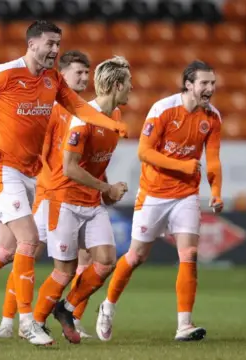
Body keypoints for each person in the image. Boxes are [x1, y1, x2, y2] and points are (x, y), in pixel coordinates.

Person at [0, 20, 127, 346]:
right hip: (0, 168)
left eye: (58, 44)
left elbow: (79, 106)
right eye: (50, 43)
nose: (55, 50)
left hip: (27, 172)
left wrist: (109, 123)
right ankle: (27, 322)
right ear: (32, 44)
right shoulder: (4, 72)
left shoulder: (52, 79)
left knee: (5, 251)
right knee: (29, 238)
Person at [95, 60, 223, 342]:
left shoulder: (212, 117)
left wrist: (215, 191)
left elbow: (212, 160)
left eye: (212, 83)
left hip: (186, 195)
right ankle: (108, 306)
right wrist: (183, 166)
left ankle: (184, 325)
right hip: (153, 193)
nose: (209, 89)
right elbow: (144, 152)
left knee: (188, 254)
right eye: (204, 83)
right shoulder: (163, 109)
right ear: (189, 84)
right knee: (136, 256)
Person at [33, 56, 132, 344]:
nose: (132, 90)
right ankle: (36, 323)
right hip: (64, 201)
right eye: (129, 84)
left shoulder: (113, 119)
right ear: (116, 85)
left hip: (92, 203)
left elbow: (96, 164)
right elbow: (70, 167)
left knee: (106, 260)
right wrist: (107, 187)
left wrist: (105, 192)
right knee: (63, 271)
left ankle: (65, 308)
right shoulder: (81, 119)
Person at [0, 50, 94, 339]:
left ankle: (71, 319)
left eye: (87, 73)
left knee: (81, 260)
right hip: (48, 195)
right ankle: (7, 320)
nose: (85, 78)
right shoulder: (49, 109)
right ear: (61, 76)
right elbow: (38, 154)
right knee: (26, 252)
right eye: (79, 73)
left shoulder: (84, 111)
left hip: (75, 196)